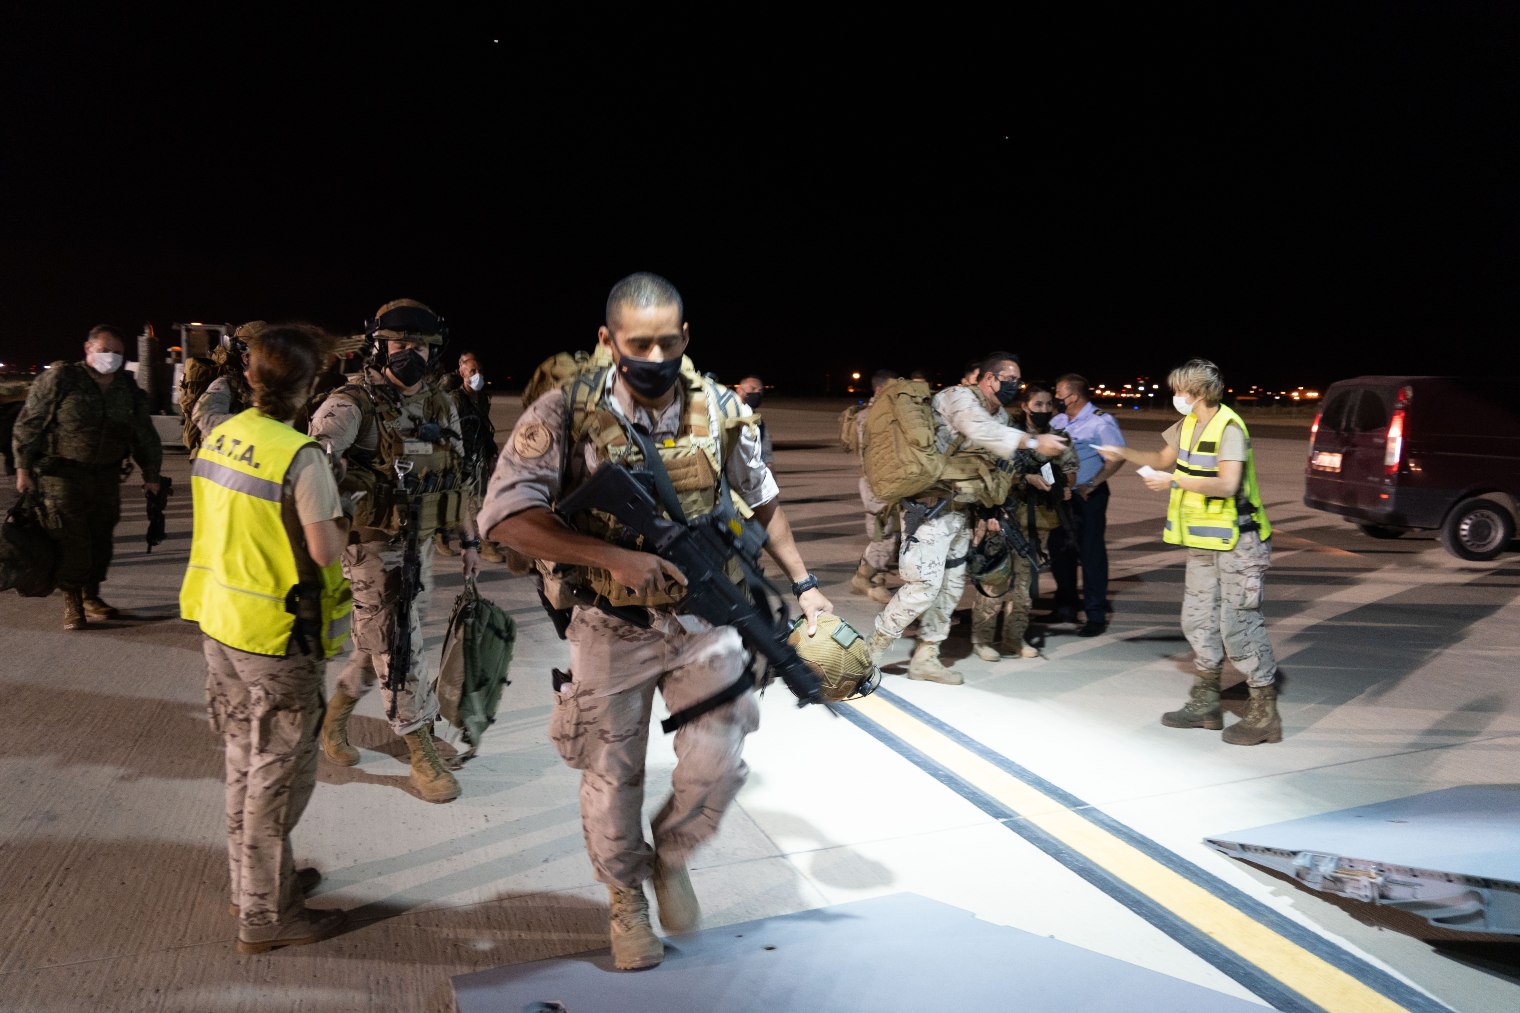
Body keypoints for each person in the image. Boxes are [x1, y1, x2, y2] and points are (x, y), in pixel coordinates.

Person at [481, 272, 832, 971]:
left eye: (668, 341)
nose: (654, 354)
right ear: (607, 340)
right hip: (611, 626)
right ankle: (625, 897)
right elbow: (505, 518)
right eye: (638, 342)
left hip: (704, 618)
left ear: (687, 337)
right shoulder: (563, 412)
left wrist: (808, 586)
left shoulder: (724, 408)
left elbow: (764, 504)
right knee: (611, 772)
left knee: (717, 758)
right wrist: (608, 556)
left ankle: (670, 855)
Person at [179, 323, 351, 954]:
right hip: (276, 638)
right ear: (310, 388)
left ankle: (254, 883)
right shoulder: (300, 456)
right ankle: (266, 916)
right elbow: (324, 550)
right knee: (279, 774)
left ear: (251, 379)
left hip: (220, 621)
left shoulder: (221, 434)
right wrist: (342, 506)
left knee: (242, 760)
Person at [308, 299, 482, 803]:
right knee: (398, 643)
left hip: (418, 544)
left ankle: (332, 720)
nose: (411, 354)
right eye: (401, 345)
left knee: (377, 643)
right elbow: (311, 461)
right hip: (370, 547)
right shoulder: (352, 401)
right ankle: (420, 746)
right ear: (380, 346)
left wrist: (469, 539)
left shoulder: (438, 402)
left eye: (422, 347)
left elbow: (456, 473)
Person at [1095, 358, 1281, 745]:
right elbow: (1164, 459)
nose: (1175, 396)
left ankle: (1264, 714)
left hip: (1238, 541)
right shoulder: (1188, 424)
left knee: (1239, 625)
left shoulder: (1228, 426)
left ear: (1196, 393)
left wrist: (1174, 481)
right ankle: (1205, 704)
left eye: (1179, 390)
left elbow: (1228, 484)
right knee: (1197, 620)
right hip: (1203, 541)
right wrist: (1124, 453)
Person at [867, 352, 1067, 684]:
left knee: (950, 587)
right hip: (928, 509)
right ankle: (869, 654)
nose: (1015, 385)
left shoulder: (1000, 414)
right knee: (923, 586)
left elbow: (991, 467)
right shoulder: (957, 397)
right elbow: (977, 429)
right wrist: (1033, 441)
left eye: (1018, 379)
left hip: (960, 513)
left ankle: (926, 657)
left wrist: (992, 508)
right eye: (1010, 378)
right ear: (989, 378)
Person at [11, 325, 163, 629]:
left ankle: (91, 596)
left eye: (118, 353)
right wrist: (23, 468)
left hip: (105, 477)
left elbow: (143, 434)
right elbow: (30, 423)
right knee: (73, 541)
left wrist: (151, 473)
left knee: (101, 540)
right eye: (105, 350)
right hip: (62, 476)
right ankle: (73, 602)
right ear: (88, 348)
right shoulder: (62, 379)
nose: (111, 357)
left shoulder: (127, 388)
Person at [969, 383, 1079, 661]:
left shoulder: (1059, 438)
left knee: (1023, 587)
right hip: (1002, 518)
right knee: (994, 581)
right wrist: (1024, 477)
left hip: (1036, 522)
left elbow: (1070, 474)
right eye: (1037, 404)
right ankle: (983, 639)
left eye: (1047, 405)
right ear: (1025, 406)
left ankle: (1013, 638)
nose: (1042, 410)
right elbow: (987, 472)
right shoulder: (1009, 434)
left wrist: (1058, 484)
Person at [1049, 372, 1125, 636]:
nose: (1056, 398)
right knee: (1060, 551)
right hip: (1061, 496)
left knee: (1091, 554)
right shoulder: (1058, 419)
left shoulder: (1100, 421)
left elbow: (1116, 457)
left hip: (1088, 496)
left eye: (1059, 393)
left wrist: (1093, 483)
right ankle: (1066, 606)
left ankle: (1095, 614)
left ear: (1074, 396)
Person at [436, 351, 506, 562]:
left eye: (480, 371)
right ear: (462, 372)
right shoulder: (456, 399)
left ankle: (485, 544)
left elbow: (484, 426)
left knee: (483, 500)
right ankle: (441, 535)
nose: (478, 375)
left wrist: (492, 452)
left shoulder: (483, 397)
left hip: (479, 455)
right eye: (473, 371)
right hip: (458, 457)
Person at [849, 368, 898, 604]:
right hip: (876, 484)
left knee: (887, 533)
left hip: (885, 483)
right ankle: (863, 577)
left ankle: (877, 579)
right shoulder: (870, 416)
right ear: (879, 390)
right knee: (883, 534)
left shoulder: (882, 413)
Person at [189, 321, 263, 446]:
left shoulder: (271, 386)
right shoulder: (227, 384)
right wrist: (254, 429)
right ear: (246, 358)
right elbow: (203, 415)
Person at [734, 375, 772, 464]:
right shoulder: (726, 414)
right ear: (739, 390)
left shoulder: (758, 423)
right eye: (753, 389)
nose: (757, 393)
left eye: (760, 390)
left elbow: (766, 457)